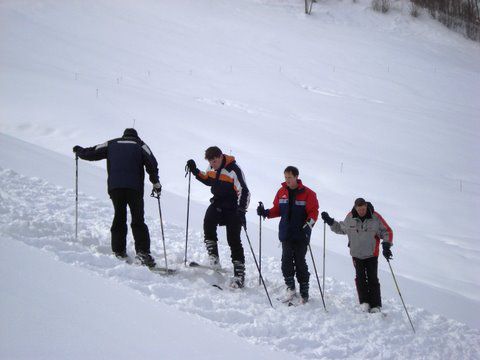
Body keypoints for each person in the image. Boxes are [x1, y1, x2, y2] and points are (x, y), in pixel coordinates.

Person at [73, 128, 161, 267]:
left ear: (124, 135)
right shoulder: (140, 145)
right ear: (135, 136)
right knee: (138, 219)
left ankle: (119, 252)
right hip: (134, 189)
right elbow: (152, 163)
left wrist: (79, 151)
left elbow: (93, 152)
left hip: (116, 188)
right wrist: (156, 183)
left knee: (119, 217)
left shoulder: (112, 143)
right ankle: (143, 254)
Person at [186, 146, 250, 288]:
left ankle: (239, 274)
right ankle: (214, 258)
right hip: (218, 203)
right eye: (211, 162)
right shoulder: (212, 167)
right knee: (208, 222)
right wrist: (195, 171)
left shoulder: (234, 170)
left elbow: (244, 191)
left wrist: (241, 210)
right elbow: (209, 179)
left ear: (221, 157)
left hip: (233, 207)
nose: (213, 164)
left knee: (233, 239)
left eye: (215, 161)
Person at [257, 166, 319, 304]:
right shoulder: (282, 191)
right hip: (286, 233)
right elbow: (277, 210)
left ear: (296, 177)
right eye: (285, 177)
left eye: (290, 177)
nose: (287, 180)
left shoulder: (308, 193)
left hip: (301, 234)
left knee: (300, 262)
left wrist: (309, 224)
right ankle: (290, 288)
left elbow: (314, 212)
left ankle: (304, 292)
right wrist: (265, 212)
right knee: (286, 262)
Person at [321, 198, 393, 313]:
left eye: (363, 209)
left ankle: (375, 305)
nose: (361, 212)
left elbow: (387, 231)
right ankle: (364, 302)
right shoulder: (350, 217)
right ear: (355, 208)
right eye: (359, 209)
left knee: (372, 278)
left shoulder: (375, 217)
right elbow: (341, 228)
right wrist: (330, 221)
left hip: (371, 254)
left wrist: (386, 245)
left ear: (366, 207)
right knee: (360, 278)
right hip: (356, 254)